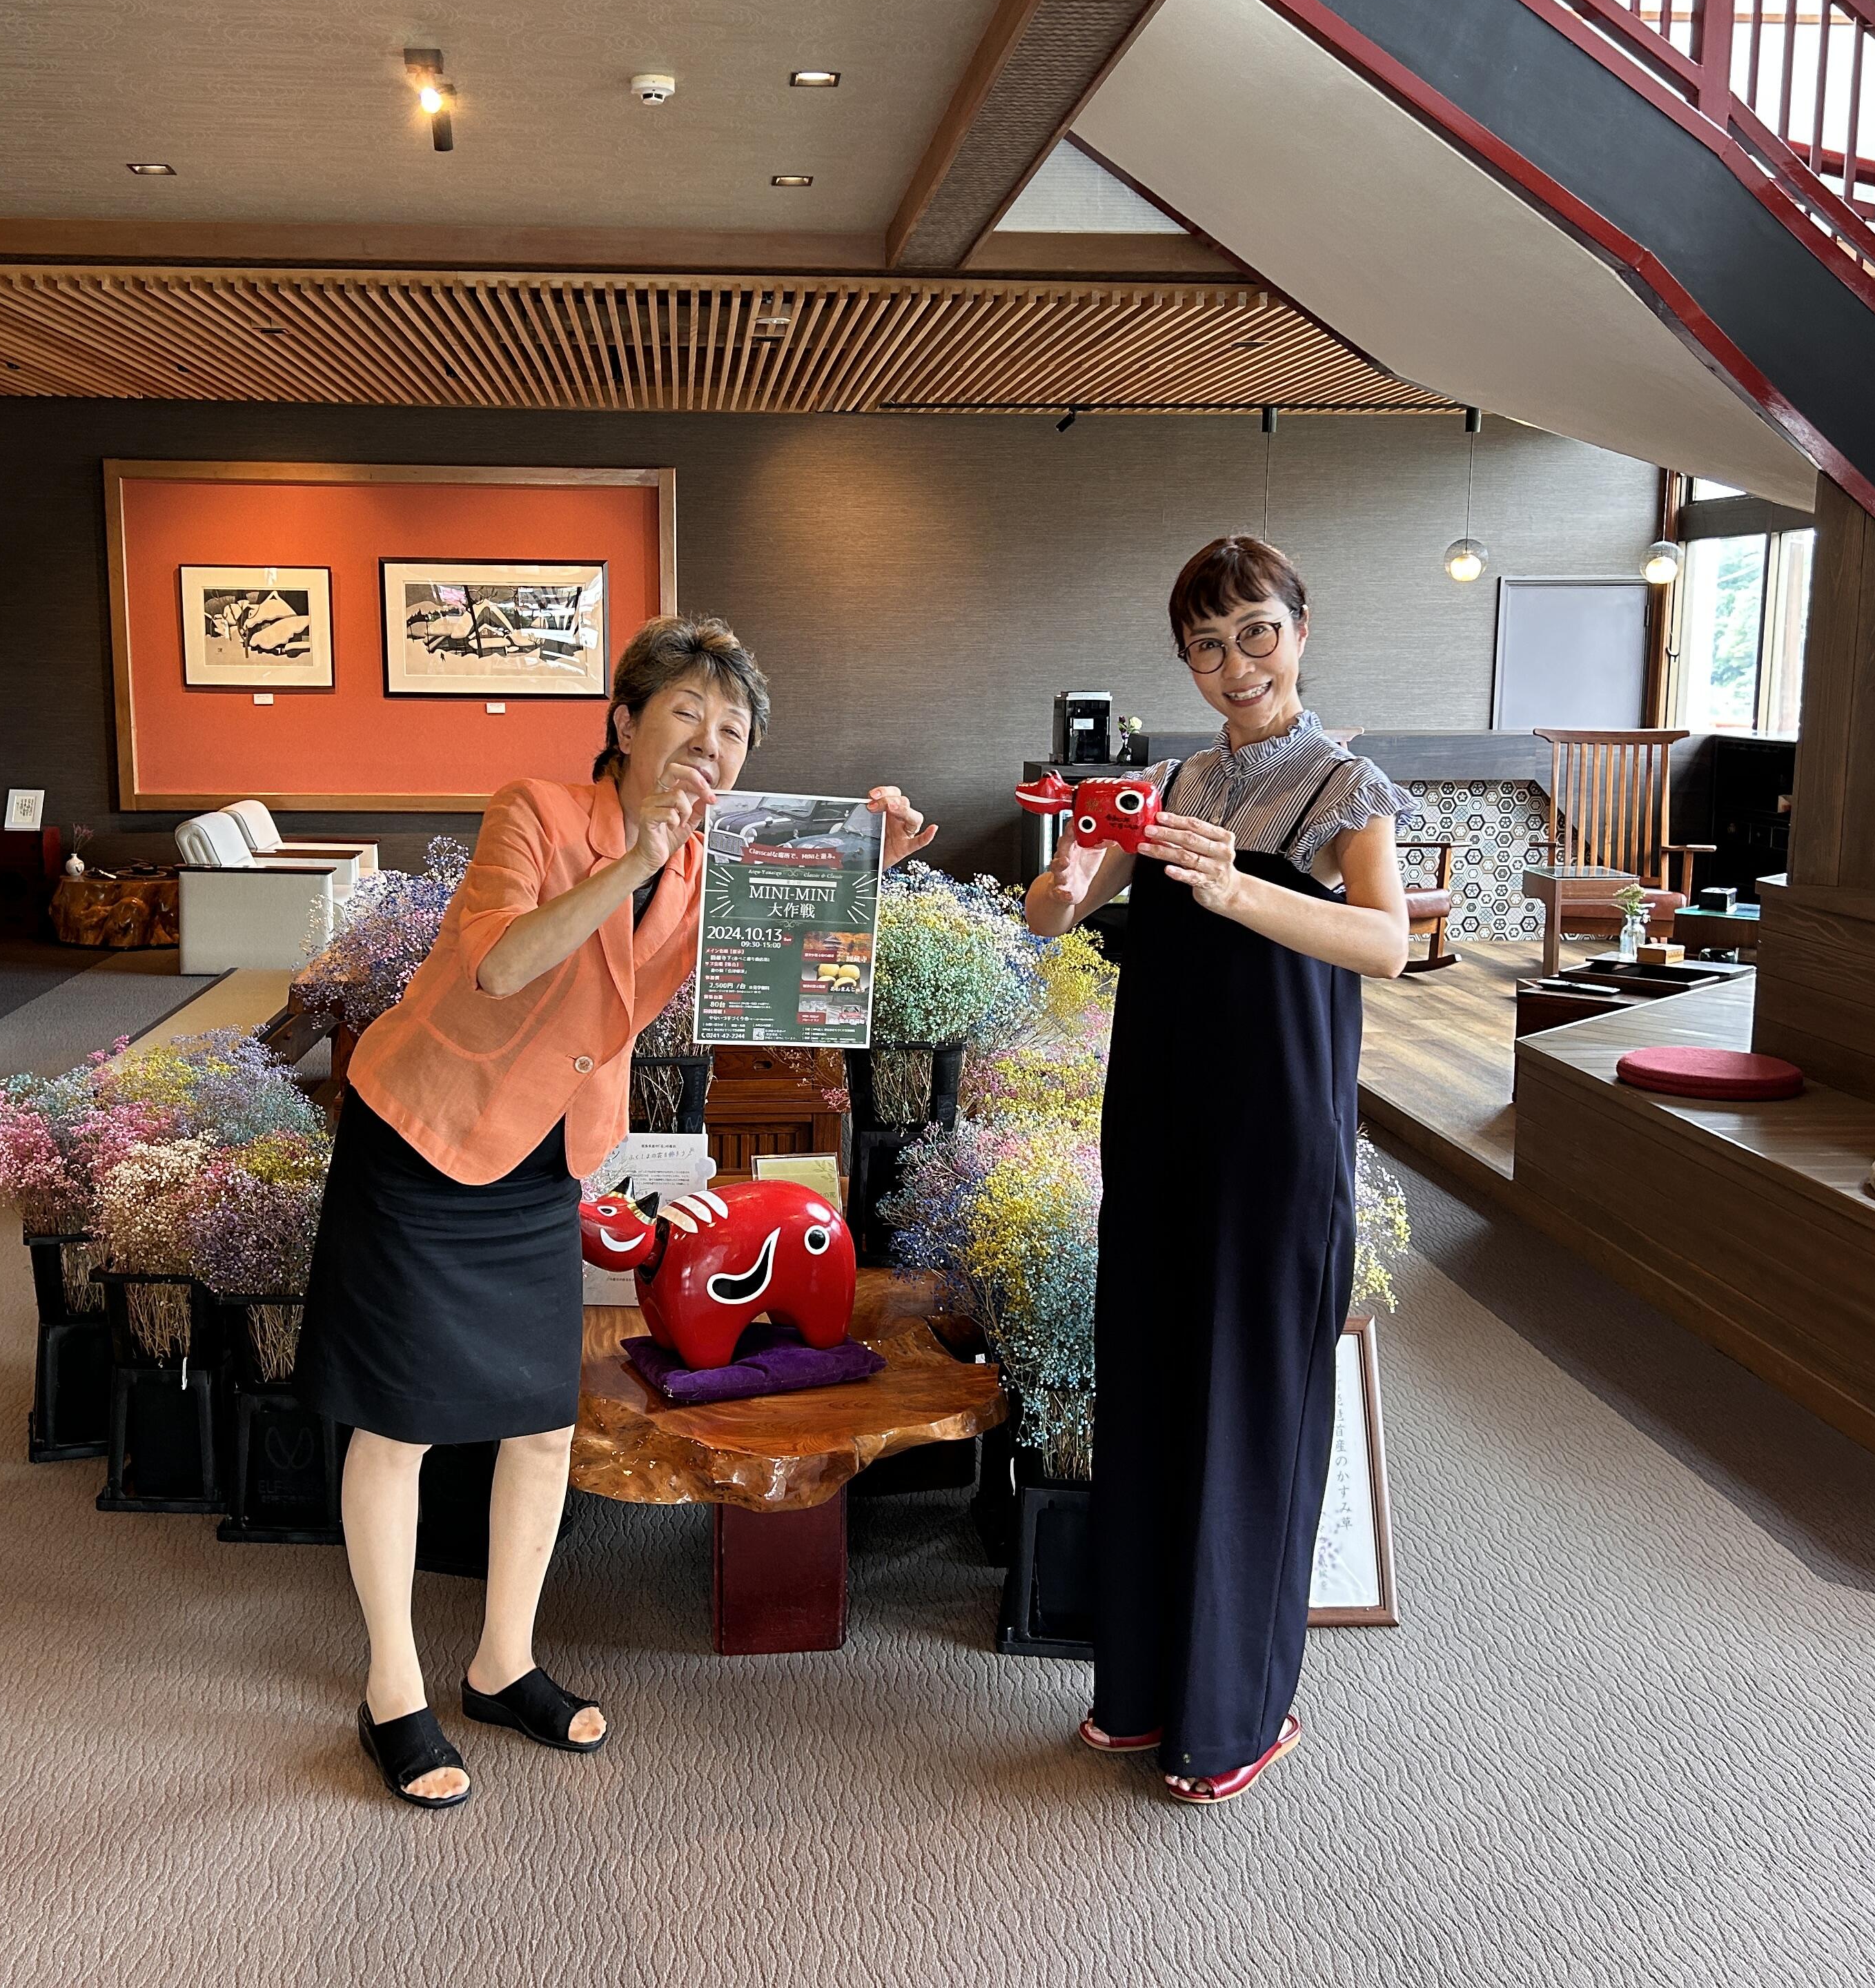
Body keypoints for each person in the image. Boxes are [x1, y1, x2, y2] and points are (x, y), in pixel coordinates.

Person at [298, 614, 934, 1809]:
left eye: (733, 731)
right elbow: (498, 965)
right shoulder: (538, 814)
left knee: (542, 1426)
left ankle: (502, 1663)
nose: (710, 743)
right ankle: (391, 1689)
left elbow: (777, 967)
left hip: (546, 1155)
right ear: (626, 724)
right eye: (687, 713)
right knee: (402, 1428)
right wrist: (632, 860)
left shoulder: (713, 860)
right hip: (429, 1134)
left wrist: (861, 868)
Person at [1023, 535, 1410, 1806]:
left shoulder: (1346, 784)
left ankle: (1227, 1718)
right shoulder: (1173, 779)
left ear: (1300, 629)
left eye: (1256, 633)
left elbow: (1387, 945)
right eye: (1206, 644)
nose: (1235, 664)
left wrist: (1238, 891)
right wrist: (1067, 873)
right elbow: (1054, 917)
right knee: (1150, 1379)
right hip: (1159, 1120)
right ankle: (1138, 1693)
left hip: (1273, 1134)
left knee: (1248, 1399)